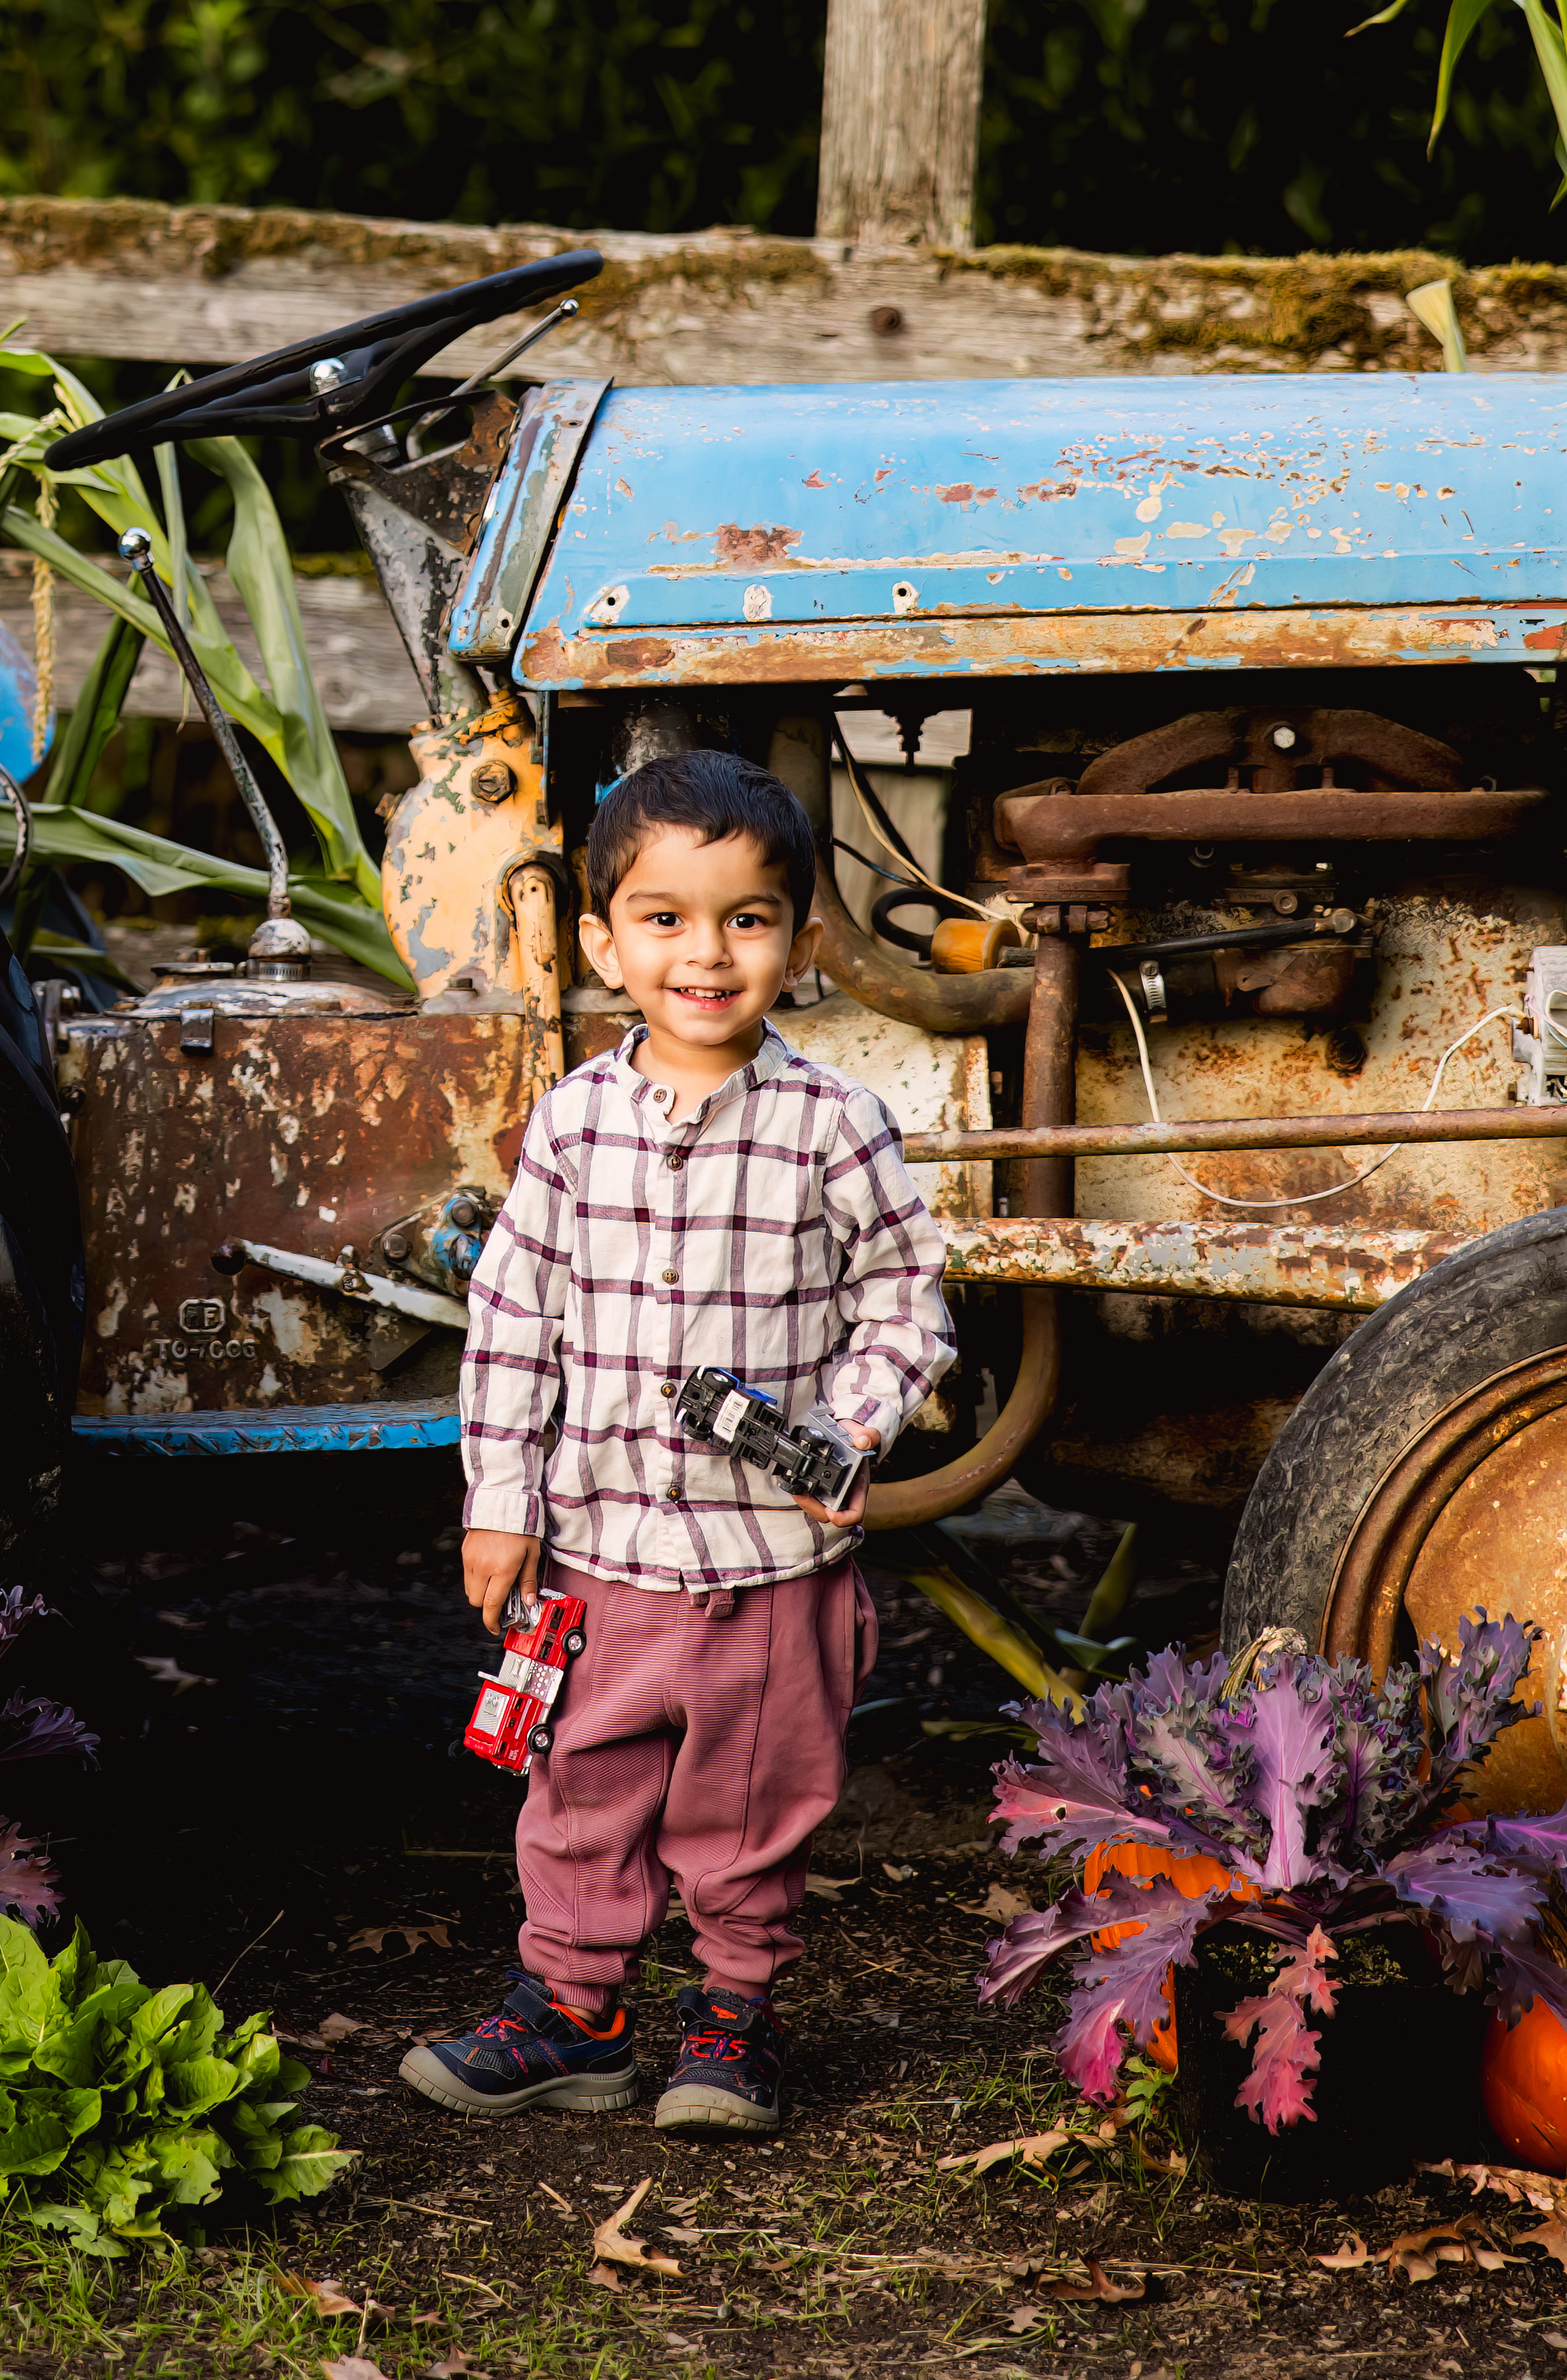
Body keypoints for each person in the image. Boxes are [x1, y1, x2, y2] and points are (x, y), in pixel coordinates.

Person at [399, 745, 951, 2139]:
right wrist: (499, 1499)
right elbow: (515, 1316)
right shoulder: (575, 1124)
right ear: (600, 937)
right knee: (578, 1785)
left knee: (749, 1805)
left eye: (746, 918)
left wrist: (850, 1425)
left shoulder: (835, 1123)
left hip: (764, 1562)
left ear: (802, 942)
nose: (705, 953)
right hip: (598, 1552)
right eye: (663, 916)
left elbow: (906, 1300)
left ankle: (732, 2018)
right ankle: (574, 2013)